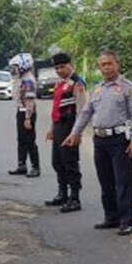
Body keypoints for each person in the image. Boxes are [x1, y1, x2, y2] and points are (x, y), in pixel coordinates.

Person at [63, 50, 132, 235]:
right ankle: (111, 217)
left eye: (109, 63)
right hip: (100, 140)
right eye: (103, 65)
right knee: (105, 181)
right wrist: (75, 133)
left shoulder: (127, 87)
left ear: (117, 65)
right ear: (99, 68)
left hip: (120, 140)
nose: (106, 68)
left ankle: (126, 221)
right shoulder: (97, 88)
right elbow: (86, 113)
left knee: (122, 182)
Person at [44, 52, 86, 212]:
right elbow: (56, 109)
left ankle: (75, 198)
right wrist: (51, 129)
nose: (60, 70)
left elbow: (82, 111)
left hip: (70, 128)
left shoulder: (77, 83)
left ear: (70, 65)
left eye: (62, 67)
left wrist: (77, 133)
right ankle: (62, 193)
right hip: (59, 127)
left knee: (70, 163)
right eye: (57, 68)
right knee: (57, 162)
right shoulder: (59, 84)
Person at [7, 53, 40, 177]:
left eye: (15, 66)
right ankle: (22, 165)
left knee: (30, 140)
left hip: (27, 113)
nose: (12, 69)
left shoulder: (28, 80)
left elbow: (30, 101)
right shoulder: (20, 78)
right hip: (21, 112)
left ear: (23, 65)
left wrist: (28, 118)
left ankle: (35, 167)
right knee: (21, 139)